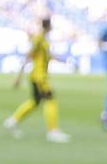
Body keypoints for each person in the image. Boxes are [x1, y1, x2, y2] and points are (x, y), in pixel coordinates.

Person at [6, 16, 70, 144]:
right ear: (49, 26)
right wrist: (19, 76)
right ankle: (53, 131)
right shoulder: (39, 38)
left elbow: (47, 56)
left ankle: (12, 121)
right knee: (50, 99)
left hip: (39, 75)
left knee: (35, 102)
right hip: (39, 76)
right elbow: (29, 55)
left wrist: (62, 61)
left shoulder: (43, 39)